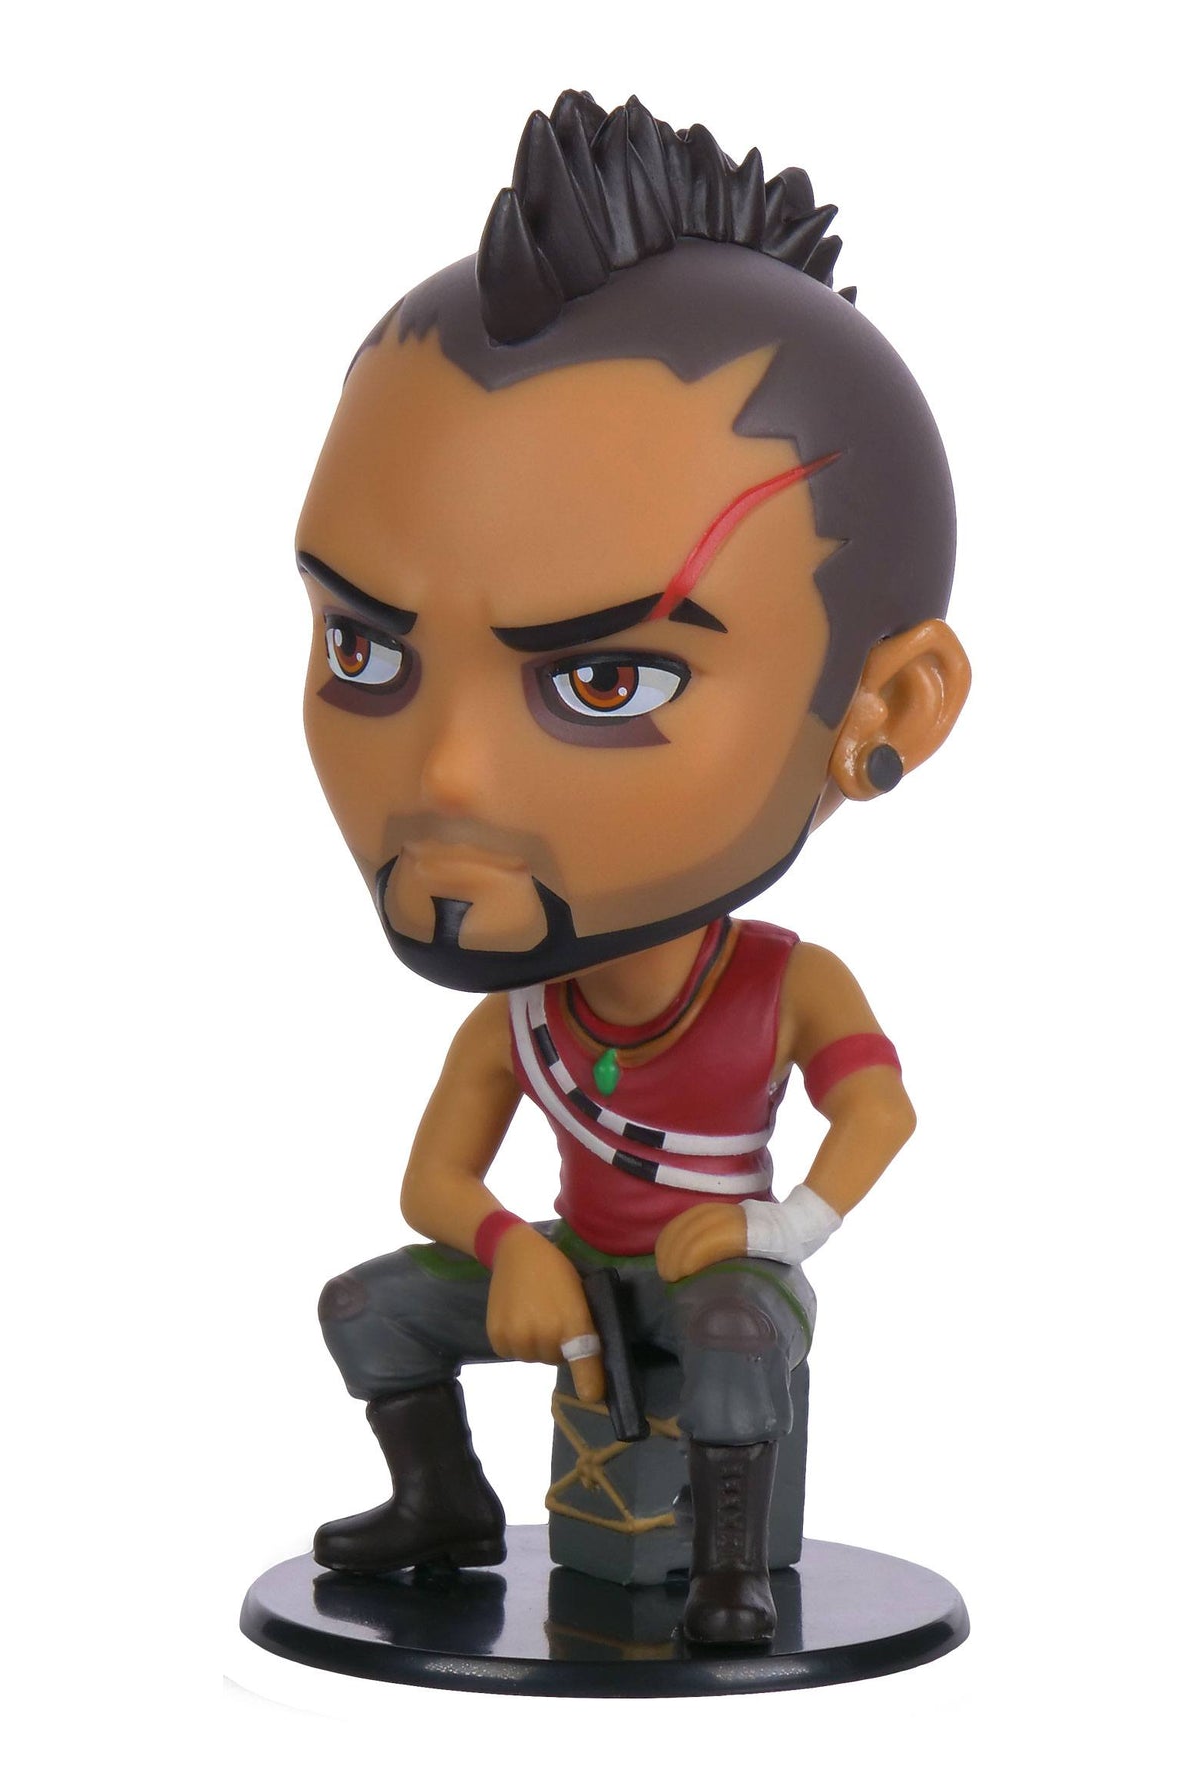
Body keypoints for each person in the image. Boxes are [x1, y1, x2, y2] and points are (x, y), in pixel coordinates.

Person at [295, 92, 971, 1646]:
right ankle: (442, 1501)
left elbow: (881, 1112)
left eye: (606, 681)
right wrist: (507, 1251)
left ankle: (729, 1569)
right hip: (566, 1265)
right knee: (371, 1308)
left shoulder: (787, 986)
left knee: (734, 1345)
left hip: (716, 1273)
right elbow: (436, 1177)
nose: (447, 776)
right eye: (367, 650)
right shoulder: (523, 1019)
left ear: (883, 713)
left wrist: (783, 1230)